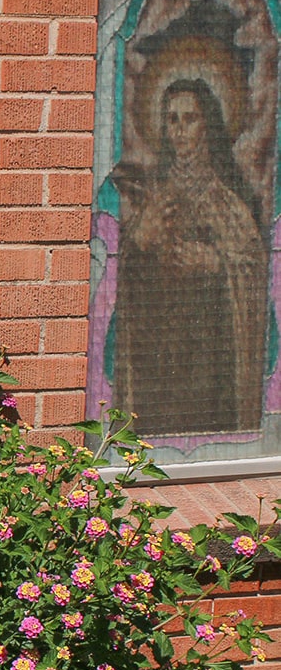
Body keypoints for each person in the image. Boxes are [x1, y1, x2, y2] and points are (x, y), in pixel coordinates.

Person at [112, 77, 269, 437]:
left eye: (190, 119)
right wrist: (141, 242)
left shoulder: (227, 202)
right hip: (158, 356)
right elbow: (123, 284)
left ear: (208, 125)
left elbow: (254, 269)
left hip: (210, 357)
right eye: (172, 120)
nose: (180, 131)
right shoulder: (152, 198)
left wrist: (215, 264)